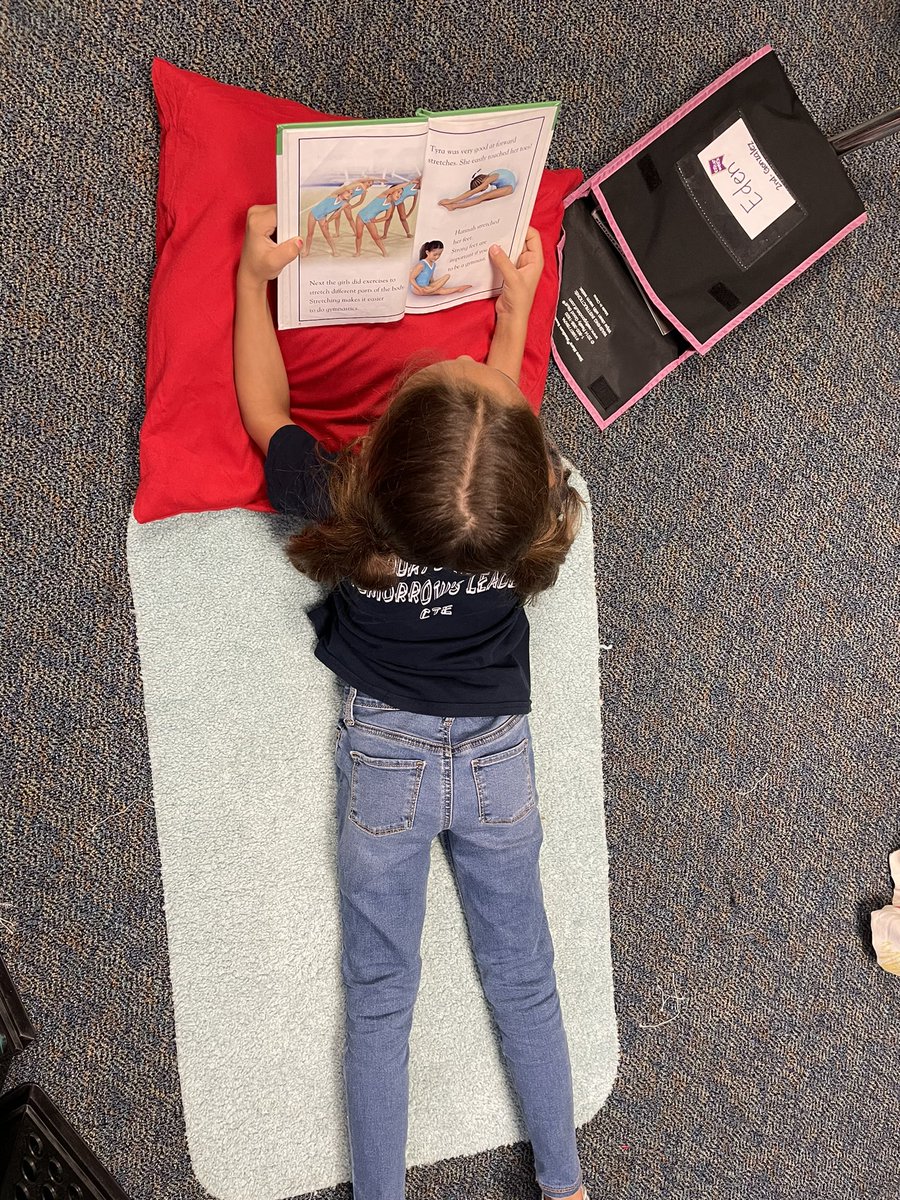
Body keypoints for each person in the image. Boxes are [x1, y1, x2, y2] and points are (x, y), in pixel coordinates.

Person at [233, 203, 590, 1200]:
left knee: (381, 999)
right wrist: (512, 318)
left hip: (387, 765)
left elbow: (266, 404)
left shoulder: (336, 497)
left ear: (377, 448)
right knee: (526, 982)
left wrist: (249, 284)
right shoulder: (531, 512)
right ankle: (566, 1185)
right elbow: (505, 431)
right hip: (497, 768)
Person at [301, 185, 356, 257]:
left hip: (322, 217)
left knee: (327, 235)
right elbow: (345, 187)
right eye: (348, 192)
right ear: (342, 191)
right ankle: (307, 251)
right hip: (313, 214)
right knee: (310, 234)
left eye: (351, 194)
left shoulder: (345, 204)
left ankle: (334, 251)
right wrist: (359, 184)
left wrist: (328, 222)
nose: (349, 195)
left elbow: (336, 214)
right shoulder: (333, 195)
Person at [354, 184, 405, 256]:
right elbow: (395, 187)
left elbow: (387, 217)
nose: (399, 195)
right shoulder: (382, 196)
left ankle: (384, 252)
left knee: (376, 237)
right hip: (360, 216)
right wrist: (410, 182)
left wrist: (376, 221)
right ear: (391, 191)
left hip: (369, 220)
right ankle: (358, 252)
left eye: (401, 194)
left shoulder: (390, 206)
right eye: (398, 192)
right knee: (359, 236)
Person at [408, 239, 472, 297]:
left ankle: (432, 289)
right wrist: (419, 289)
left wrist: (433, 285)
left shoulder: (433, 264)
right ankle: (458, 288)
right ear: (427, 252)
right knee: (440, 290)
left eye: (439, 254)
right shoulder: (421, 265)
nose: (437, 257)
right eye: (435, 255)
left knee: (447, 276)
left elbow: (430, 277)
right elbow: (411, 278)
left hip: (426, 286)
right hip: (417, 288)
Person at [438, 166, 518, 210]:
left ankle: (454, 206)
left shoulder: (489, 179)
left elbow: (472, 192)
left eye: (482, 189)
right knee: (484, 196)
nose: (483, 189)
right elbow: (472, 191)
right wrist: (450, 200)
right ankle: (453, 205)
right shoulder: (487, 177)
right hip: (505, 184)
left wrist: (451, 201)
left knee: (483, 197)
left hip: (509, 187)